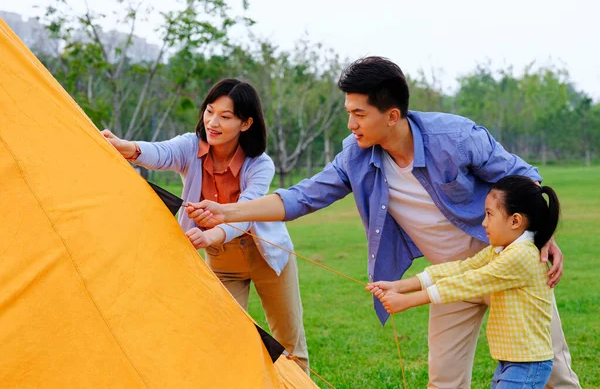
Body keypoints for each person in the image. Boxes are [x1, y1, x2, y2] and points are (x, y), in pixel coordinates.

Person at [187, 57, 580, 388]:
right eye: (348, 113)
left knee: (553, 372)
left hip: (501, 268)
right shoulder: (355, 157)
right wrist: (229, 211)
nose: (351, 124)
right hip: (445, 276)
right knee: (443, 382)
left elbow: (523, 175)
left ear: (392, 115)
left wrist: (540, 234)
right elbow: (301, 197)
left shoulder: (454, 136)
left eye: (359, 114)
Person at [101, 78, 309, 369]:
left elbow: (246, 212)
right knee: (222, 337)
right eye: (209, 111)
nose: (212, 122)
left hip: (268, 256)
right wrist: (128, 148)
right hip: (222, 261)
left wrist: (210, 236)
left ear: (246, 123)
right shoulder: (190, 146)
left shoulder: (260, 163)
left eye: (225, 117)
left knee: (289, 343)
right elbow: (161, 153)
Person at [367, 175, 559, 388]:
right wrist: (399, 286)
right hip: (512, 361)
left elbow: (469, 282)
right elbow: (462, 267)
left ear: (515, 221)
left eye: (489, 214)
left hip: (528, 363)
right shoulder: (502, 250)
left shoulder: (521, 255)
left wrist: (408, 301)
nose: (484, 223)